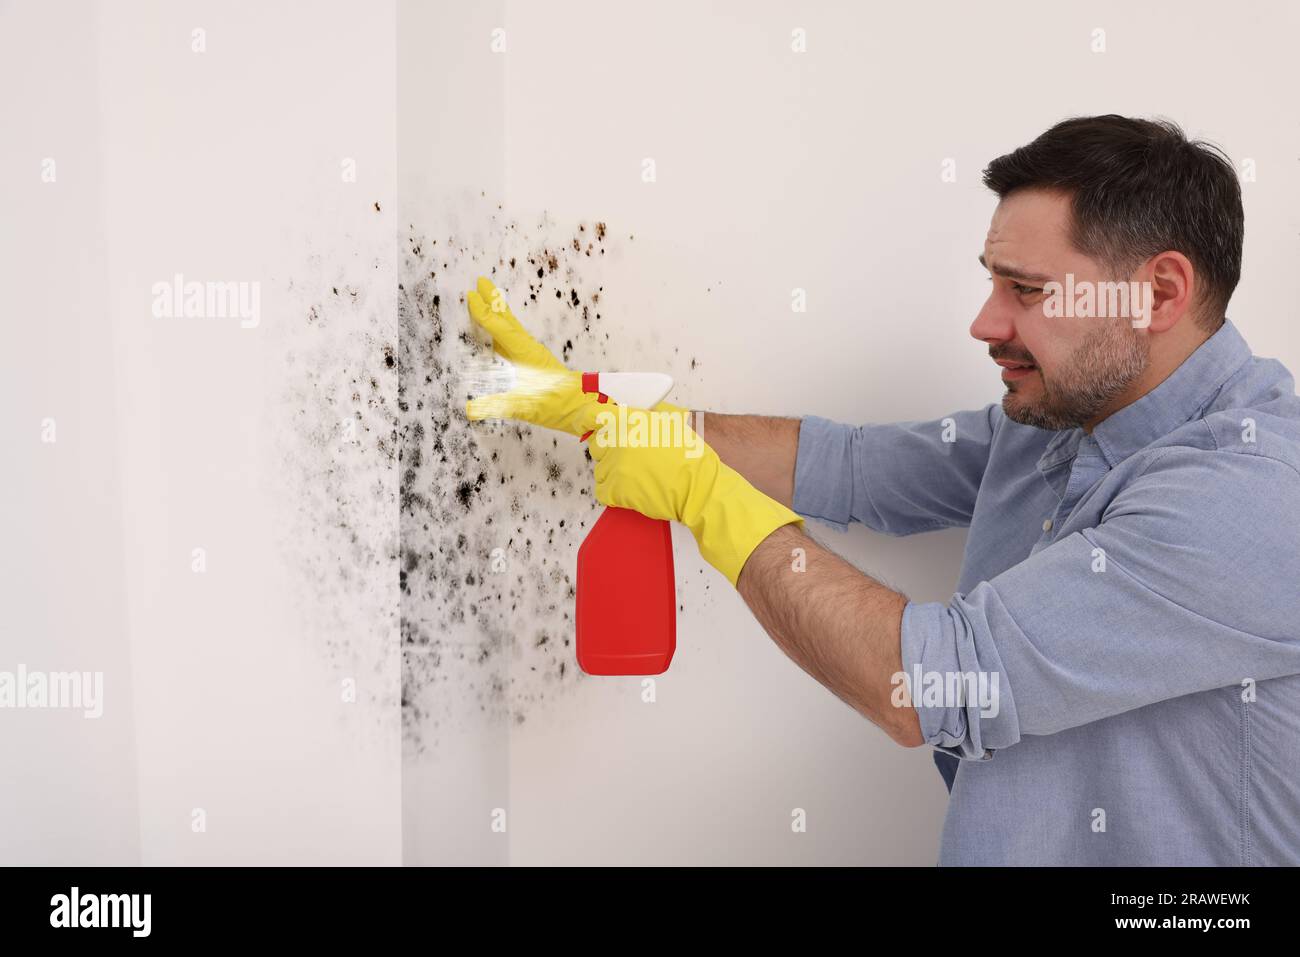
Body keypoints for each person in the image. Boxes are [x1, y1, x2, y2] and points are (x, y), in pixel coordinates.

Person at [464, 115, 1300, 866]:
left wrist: (707, 500)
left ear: (1158, 294)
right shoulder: (1059, 413)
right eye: (992, 280)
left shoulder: (1250, 496)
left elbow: (938, 683)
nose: (985, 322)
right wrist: (615, 417)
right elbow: (857, 467)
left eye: (1028, 291)